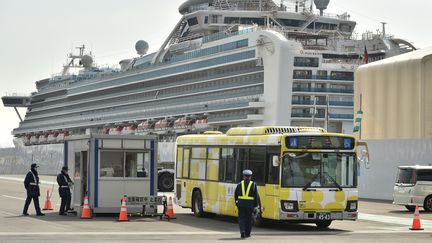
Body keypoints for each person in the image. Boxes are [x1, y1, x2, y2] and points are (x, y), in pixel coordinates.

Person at [234, 169, 261, 239]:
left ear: (243, 176)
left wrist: (236, 202)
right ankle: (248, 233)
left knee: (241, 219)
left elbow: (236, 194)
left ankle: (242, 231)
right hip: (250, 205)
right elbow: (256, 196)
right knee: (249, 219)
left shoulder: (239, 184)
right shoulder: (254, 185)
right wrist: (256, 206)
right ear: (250, 177)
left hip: (241, 205)